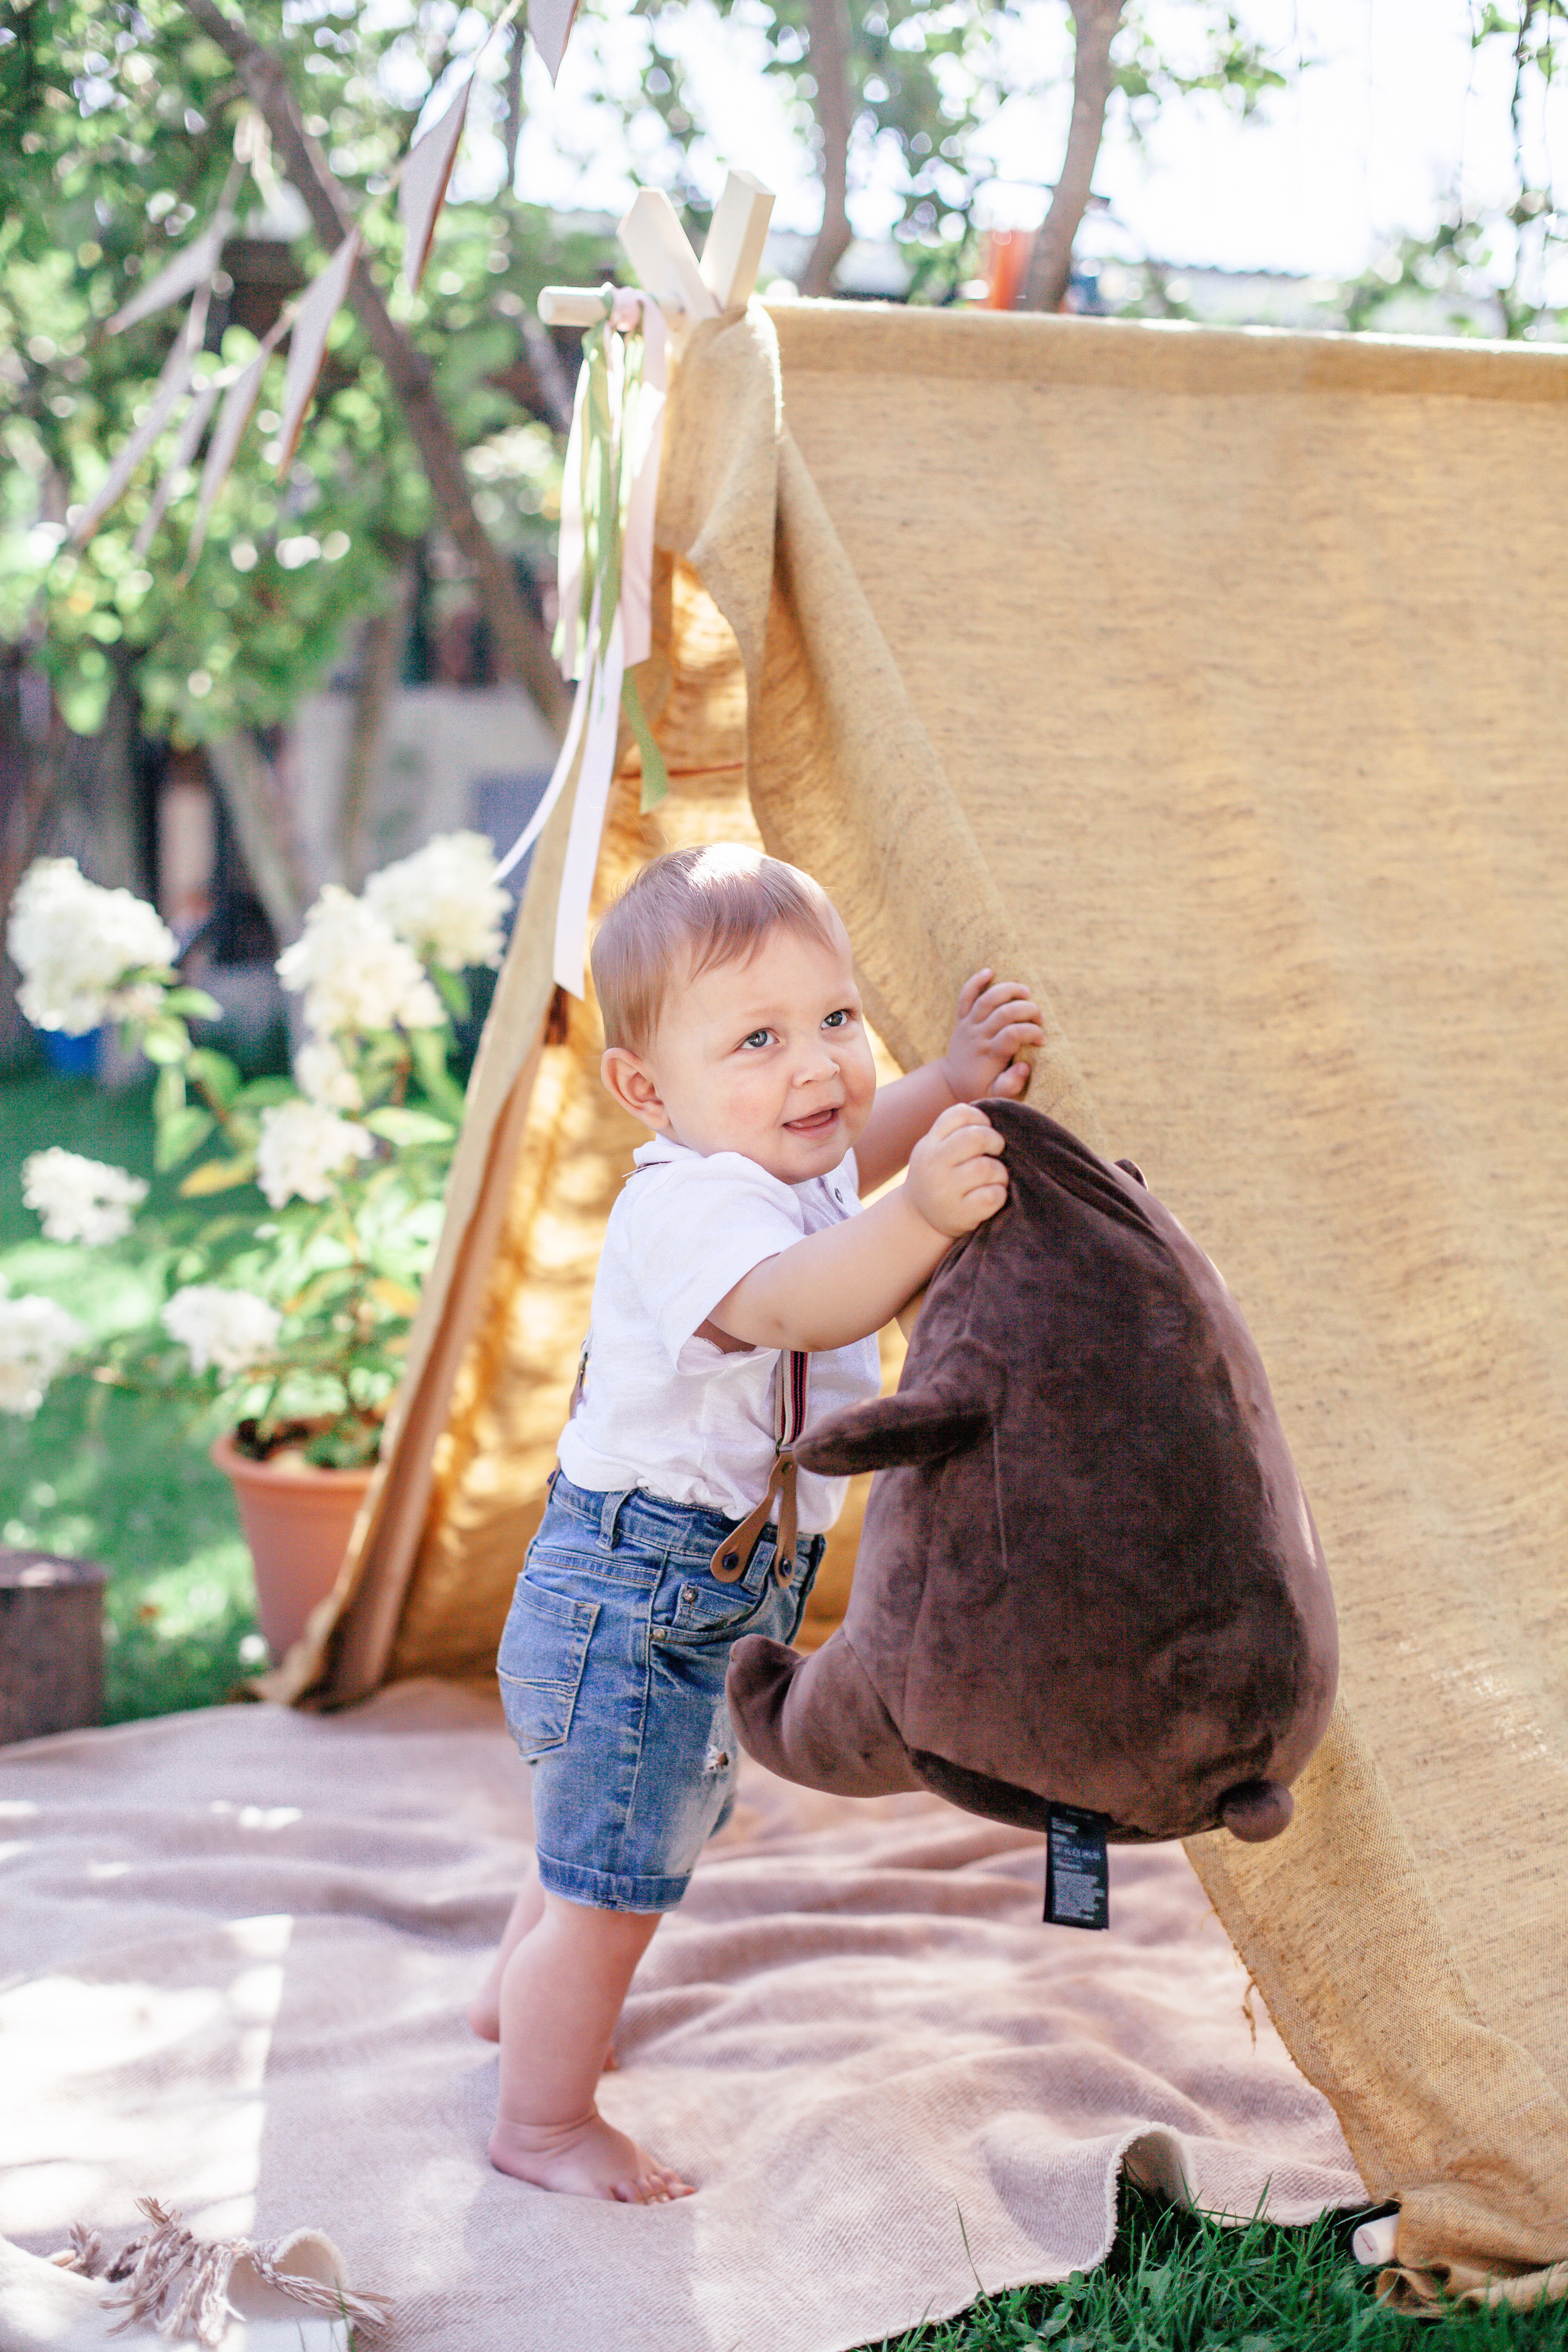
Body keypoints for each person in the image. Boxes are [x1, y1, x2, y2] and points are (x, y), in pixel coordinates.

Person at [469, 843, 1043, 2202]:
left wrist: (947, 1083)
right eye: (759, 1040)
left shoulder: (782, 1156)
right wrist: (921, 1214)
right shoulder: (687, 1209)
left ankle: (513, 2003)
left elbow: (857, 1148)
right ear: (644, 1090)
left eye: (835, 1021)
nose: (815, 1070)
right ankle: (540, 2121)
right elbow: (803, 1299)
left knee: (595, 1841)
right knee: (614, 1894)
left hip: (685, 1594)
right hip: (633, 1598)